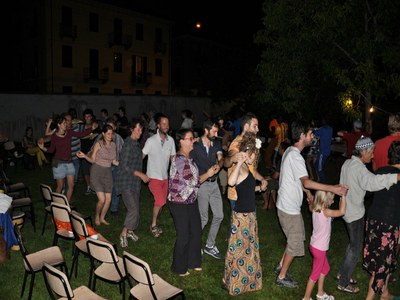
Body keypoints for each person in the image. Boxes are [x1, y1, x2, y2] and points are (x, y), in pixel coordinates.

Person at [275, 120, 348, 289]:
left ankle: (280, 264)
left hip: (287, 205)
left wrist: (307, 194)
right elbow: (306, 182)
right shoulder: (295, 156)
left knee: (296, 238)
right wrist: (332, 188)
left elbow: (296, 180)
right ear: (302, 136)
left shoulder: (289, 152)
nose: (312, 136)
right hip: (288, 208)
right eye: (310, 134)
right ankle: (282, 276)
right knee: (295, 243)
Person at [337, 136, 400, 294]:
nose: (372, 156)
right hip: (354, 214)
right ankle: (343, 282)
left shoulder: (347, 163)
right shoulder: (359, 168)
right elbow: (372, 183)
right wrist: (395, 177)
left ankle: (342, 273)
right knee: (355, 248)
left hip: (346, 210)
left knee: (352, 245)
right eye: (371, 152)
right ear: (363, 151)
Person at [223, 132, 266, 296]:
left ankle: (250, 282)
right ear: (248, 153)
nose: (254, 159)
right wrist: (239, 162)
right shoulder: (240, 167)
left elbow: (246, 190)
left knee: (250, 250)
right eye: (253, 156)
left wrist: (258, 188)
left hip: (250, 215)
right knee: (240, 250)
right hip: (241, 217)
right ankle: (235, 284)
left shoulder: (248, 167)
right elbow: (231, 183)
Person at [168, 128, 214, 276]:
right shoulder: (179, 159)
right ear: (181, 141)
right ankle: (178, 267)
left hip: (190, 200)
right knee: (184, 235)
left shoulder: (190, 158)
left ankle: (194, 261)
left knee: (195, 231)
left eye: (192, 138)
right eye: (189, 138)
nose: (192, 140)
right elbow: (193, 181)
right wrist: (208, 174)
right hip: (178, 202)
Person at [364, 141, 400, 300]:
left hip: (372, 222)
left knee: (382, 263)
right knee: (380, 267)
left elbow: (367, 194)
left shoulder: (379, 171)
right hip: (388, 225)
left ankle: (385, 294)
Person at [37, 115, 93, 202]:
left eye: (66, 122)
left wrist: (91, 129)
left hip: (69, 163)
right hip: (58, 163)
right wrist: (43, 148)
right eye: (64, 123)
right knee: (60, 186)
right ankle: (56, 205)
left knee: (71, 186)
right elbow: (51, 150)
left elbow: (80, 134)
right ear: (59, 125)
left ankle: (66, 204)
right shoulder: (54, 136)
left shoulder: (69, 132)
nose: (66, 124)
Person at [302, 191, 346, 300]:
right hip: (319, 248)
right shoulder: (326, 211)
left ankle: (320, 293)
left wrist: (309, 200)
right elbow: (341, 212)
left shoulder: (314, 208)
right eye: (331, 199)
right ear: (325, 201)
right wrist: (343, 196)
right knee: (315, 274)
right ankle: (306, 298)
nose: (332, 201)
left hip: (314, 245)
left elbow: (310, 206)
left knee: (325, 268)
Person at [190, 119, 224, 259]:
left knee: (219, 215)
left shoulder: (216, 143)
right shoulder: (196, 145)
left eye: (217, 131)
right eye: (214, 131)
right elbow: (188, 162)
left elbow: (221, 158)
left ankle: (210, 245)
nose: (216, 134)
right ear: (206, 130)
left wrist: (219, 165)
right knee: (203, 219)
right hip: (202, 184)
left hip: (214, 184)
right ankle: (195, 246)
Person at [114, 119, 149, 248]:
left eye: (141, 129)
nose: (140, 132)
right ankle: (123, 233)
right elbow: (124, 166)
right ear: (131, 130)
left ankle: (130, 231)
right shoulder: (128, 144)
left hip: (134, 183)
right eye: (138, 129)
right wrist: (141, 174)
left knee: (135, 210)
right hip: (126, 181)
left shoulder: (136, 144)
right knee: (133, 209)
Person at [142, 113, 176, 237]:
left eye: (167, 123)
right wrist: (137, 171)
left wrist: (177, 172)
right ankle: (153, 225)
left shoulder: (171, 140)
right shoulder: (151, 141)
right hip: (153, 177)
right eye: (163, 123)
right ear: (158, 126)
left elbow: (173, 158)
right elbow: (142, 155)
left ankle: (155, 222)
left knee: (160, 203)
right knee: (161, 201)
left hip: (165, 178)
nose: (166, 126)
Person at [77, 124, 118, 226]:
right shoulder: (98, 144)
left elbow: (113, 161)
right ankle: (96, 216)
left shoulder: (114, 145)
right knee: (102, 199)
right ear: (103, 134)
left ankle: (102, 218)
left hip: (108, 173)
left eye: (111, 133)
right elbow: (92, 160)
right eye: (108, 133)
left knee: (108, 199)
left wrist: (124, 163)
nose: (110, 135)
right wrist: (85, 156)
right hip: (97, 172)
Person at [313, 118, 333, 183]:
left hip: (323, 152)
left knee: (319, 168)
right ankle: (321, 179)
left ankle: (323, 182)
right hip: (327, 151)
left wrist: (313, 127)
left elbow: (314, 133)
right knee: (316, 164)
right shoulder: (330, 128)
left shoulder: (322, 129)